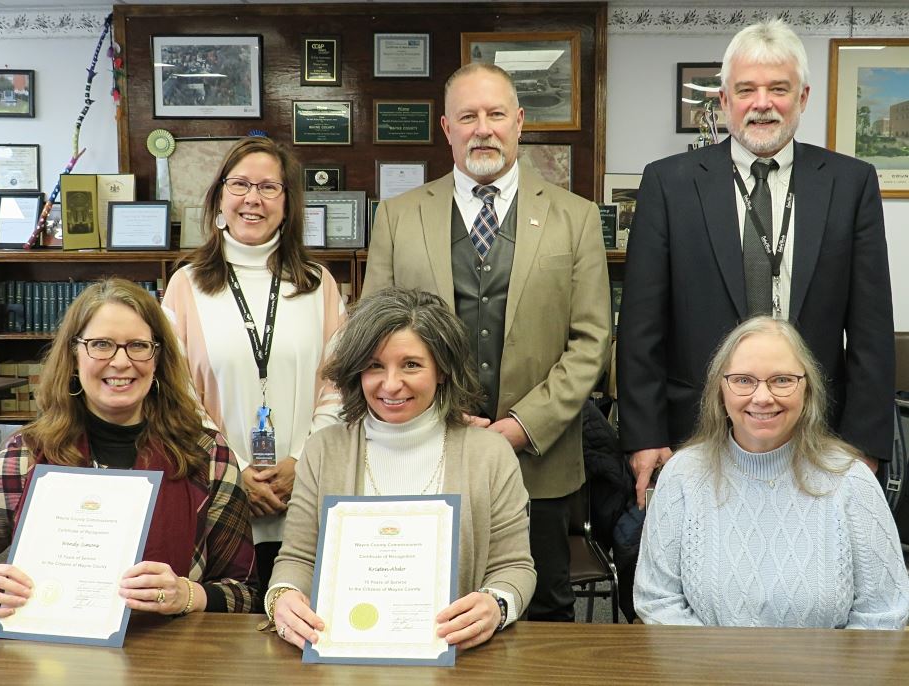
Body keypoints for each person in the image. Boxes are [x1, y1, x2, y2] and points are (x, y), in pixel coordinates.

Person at [361, 62, 610, 622]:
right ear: (446, 129)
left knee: (543, 613)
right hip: (424, 451)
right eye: (468, 116)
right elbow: (374, 337)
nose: (483, 128)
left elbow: (592, 340)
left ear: (519, 122)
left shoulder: (576, 218)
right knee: (424, 607)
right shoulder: (400, 217)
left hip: (539, 464)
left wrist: (521, 428)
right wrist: (441, 417)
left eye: (496, 114)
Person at [618, 19, 894, 510]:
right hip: (694, 434)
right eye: (746, 89)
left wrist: (865, 446)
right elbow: (641, 326)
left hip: (819, 435)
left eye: (778, 89)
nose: (762, 103)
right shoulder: (669, 185)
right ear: (724, 101)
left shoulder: (851, 185)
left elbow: (871, 328)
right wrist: (644, 436)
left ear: (803, 98)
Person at [0, 278, 258, 617]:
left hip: (168, 660)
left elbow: (244, 593)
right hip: (51, 662)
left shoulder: (206, 454)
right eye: (101, 344)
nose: (121, 362)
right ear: (74, 355)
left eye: (138, 345)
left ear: (158, 358)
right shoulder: (29, 455)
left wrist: (188, 595)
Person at [267, 288, 536, 650]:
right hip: (345, 658)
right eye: (375, 365)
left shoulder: (489, 454)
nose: (391, 384)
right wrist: (281, 598)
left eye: (411, 364)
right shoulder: (323, 450)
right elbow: (297, 558)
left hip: (456, 657)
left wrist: (496, 604)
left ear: (442, 370)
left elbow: (515, 566)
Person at [634, 317, 909, 628]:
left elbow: (883, 613)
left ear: (807, 391)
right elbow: (658, 600)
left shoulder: (852, 481)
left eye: (782, 380)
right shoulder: (682, 477)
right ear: (720, 391)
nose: (762, 397)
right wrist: (718, 671)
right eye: (743, 380)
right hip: (708, 673)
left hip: (827, 676)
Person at [163, 136, 344, 603]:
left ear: (288, 202)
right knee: (228, 630)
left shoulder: (318, 284)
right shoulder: (186, 285)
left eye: (269, 187)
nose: (253, 198)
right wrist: (236, 471)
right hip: (219, 488)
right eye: (240, 184)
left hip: (303, 489)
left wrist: (301, 463)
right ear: (220, 196)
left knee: (303, 619)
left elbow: (338, 386)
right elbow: (176, 393)